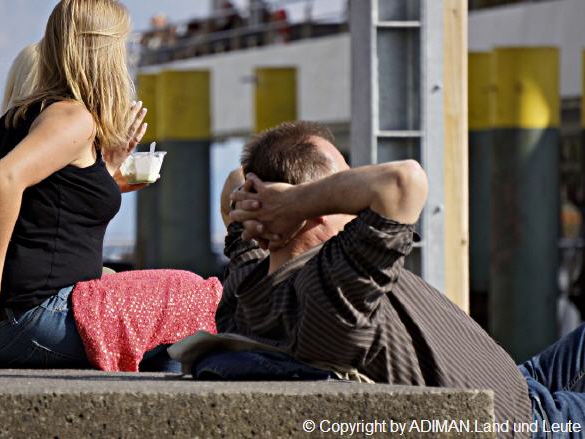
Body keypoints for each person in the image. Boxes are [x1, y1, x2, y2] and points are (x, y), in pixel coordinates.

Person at [210, 120, 585, 437]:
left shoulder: (249, 283)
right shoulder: (329, 288)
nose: (351, 203)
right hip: (526, 421)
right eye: (340, 187)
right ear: (313, 209)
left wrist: (269, 204)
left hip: (518, 382)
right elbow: (404, 180)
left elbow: (233, 181)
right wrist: (293, 202)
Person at [0, 0, 148, 367]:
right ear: (107, 51)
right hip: (34, 319)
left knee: (158, 330)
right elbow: (5, 178)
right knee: (193, 296)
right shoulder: (75, 117)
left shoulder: (21, 117)